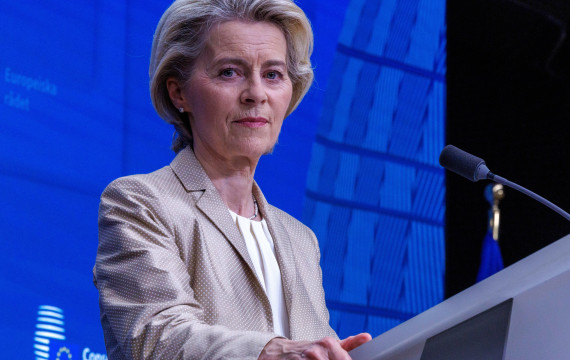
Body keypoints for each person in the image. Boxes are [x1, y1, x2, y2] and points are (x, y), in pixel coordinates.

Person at [93, 0, 371, 359]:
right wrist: (270, 352)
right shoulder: (140, 203)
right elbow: (159, 338)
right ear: (179, 92)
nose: (256, 93)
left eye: (273, 74)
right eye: (229, 72)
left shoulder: (301, 241)